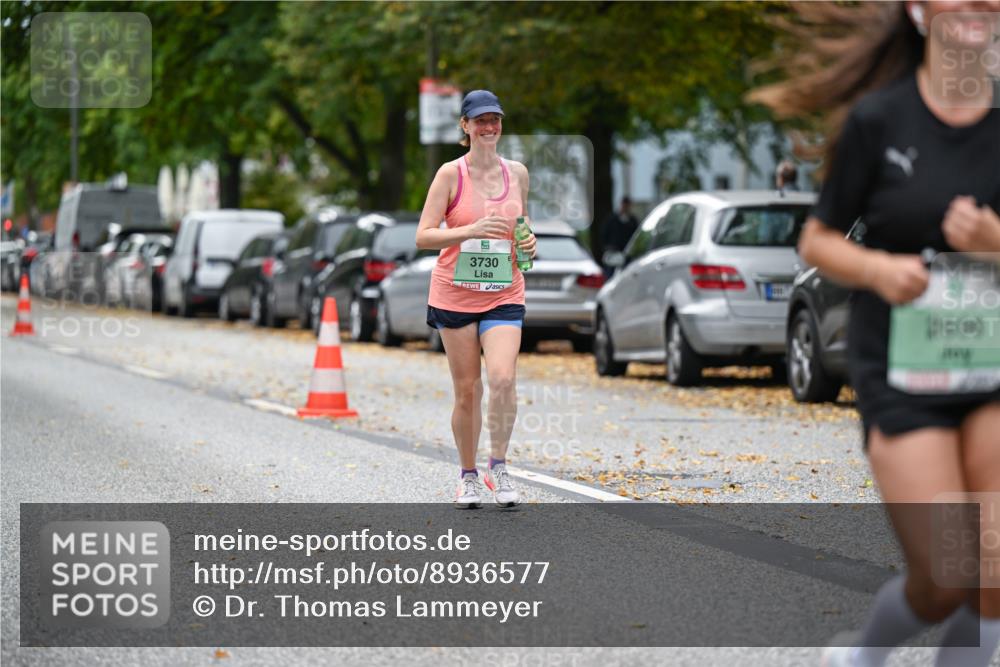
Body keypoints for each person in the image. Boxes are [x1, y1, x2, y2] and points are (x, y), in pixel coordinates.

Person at [753, 2, 1000, 666]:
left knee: (994, 576)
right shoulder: (880, 119)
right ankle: (862, 656)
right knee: (946, 577)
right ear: (918, 10)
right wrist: (879, 270)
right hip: (905, 372)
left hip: (992, 373)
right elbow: (818, 240)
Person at [415, 89, 536, 509]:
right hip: (455, 294)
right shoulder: (450, 174)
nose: (489, 127)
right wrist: (469, 231)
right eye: (480, 120)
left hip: (504, 291)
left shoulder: (517, 173)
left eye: (494, 119)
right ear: (465, 126)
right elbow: (423, 235)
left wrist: (529, 242)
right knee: (468, 391)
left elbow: (522, 225)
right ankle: (467, 475)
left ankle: (497, 466)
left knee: (502, 378)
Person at [601, 196, 638, 275]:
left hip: (626, 253)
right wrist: (607, 246)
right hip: (613, 251)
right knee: (610, 274)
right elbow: (604, 234)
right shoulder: (611, 219)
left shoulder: (633, 221)